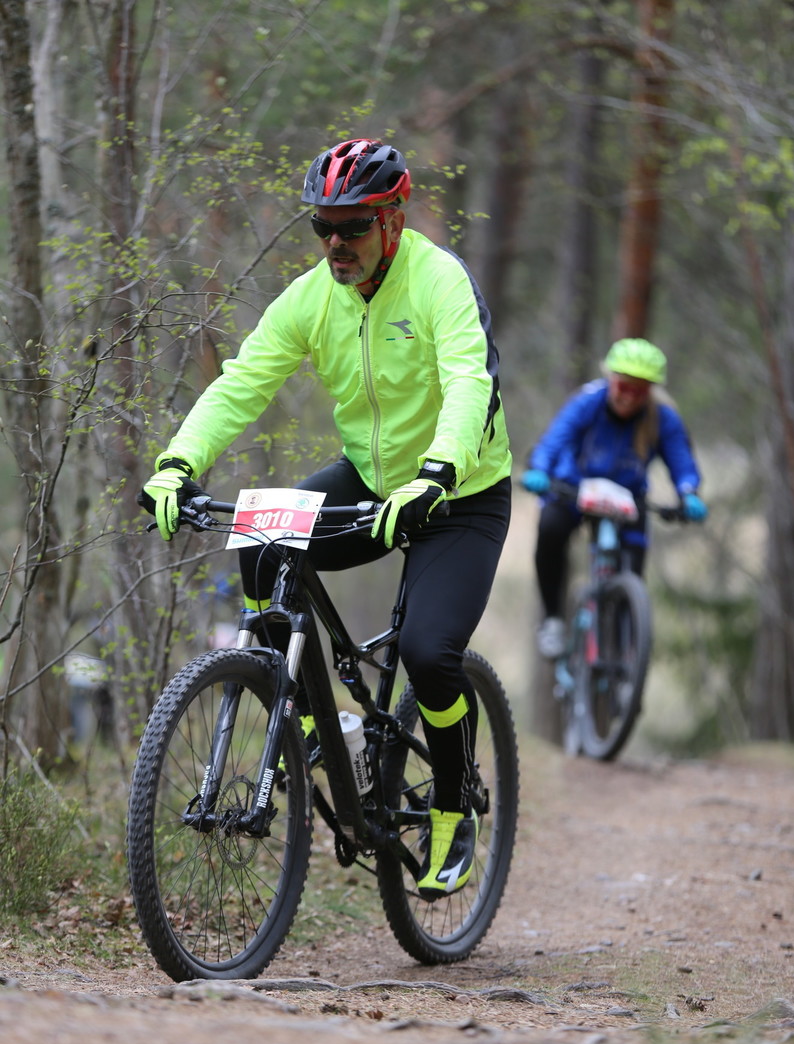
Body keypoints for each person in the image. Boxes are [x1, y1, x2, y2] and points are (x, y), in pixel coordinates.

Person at [139, 138, 513, 901]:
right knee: (261, 544)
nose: (335, 244)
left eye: (352, 226)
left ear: (394, 218)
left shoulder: (438, 280)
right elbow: (244, 381)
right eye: (322, 228)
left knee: (428, 651)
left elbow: (469, 380)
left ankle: (451, 806)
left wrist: (439, 474)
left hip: (461, 493)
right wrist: (179, 460)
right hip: (372, 480)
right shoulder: (314, 297)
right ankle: (306, 717)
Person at [521, 337, 706, 659]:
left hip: (627, 499)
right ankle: (552, 620)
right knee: (550, 530)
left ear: (650, 391)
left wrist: (688, 494)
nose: (628, 397)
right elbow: (554, 440)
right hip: (574, 489)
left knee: (632, 570)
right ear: (610, 380)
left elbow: (682, 462)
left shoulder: (663, 418)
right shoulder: (588, 401)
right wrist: (539, 469)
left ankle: (624, 659)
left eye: (639, 390)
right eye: (622, 386)